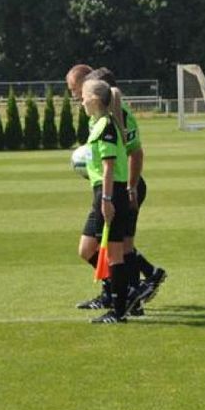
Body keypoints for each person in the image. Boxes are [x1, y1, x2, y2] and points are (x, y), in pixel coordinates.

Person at [67, 65, 166, 314]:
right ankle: (120, 291)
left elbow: (135, 153)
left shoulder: (118, 116)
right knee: (90, 249)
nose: (76, 96)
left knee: (121, 249)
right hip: (107, 189)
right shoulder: (95, 116)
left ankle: (131, 298)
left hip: (123, 188)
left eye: (76, 90)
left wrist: (130, 188)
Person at [78, 79, 138, 323]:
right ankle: (119, 299)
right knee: (88, 249)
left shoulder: (106, 126)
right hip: (104, 193)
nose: (80, 100)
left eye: (83, 96)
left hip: (111, 194)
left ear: (93, 99)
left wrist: (106, 199)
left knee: (115, 254)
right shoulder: (100, 124)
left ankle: (119, 309)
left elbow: (109, 166)